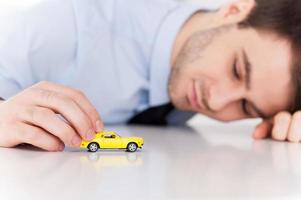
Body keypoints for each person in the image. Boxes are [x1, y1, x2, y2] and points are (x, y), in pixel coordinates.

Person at [0, 0, 300, 151]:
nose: (217, 102)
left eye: (247, 107)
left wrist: (284, 128)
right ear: (234, 10)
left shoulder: (200, 69)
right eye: (236, 70)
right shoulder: (68, 26)